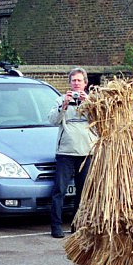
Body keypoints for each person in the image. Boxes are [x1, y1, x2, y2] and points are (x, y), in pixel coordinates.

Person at [48, 67, 96, 238]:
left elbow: (100, 124)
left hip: (86, 153)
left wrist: (89, 104)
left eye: (79, 81)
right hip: (66, 153)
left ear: (85, 83)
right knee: (59, 191)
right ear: (69, 83)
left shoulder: (93, 101)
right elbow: (53, 120)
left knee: (82, 192)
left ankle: (77, 225)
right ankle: (56, 226)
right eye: (73, 81)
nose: (76, 84)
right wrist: (64, 105)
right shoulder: (60, 100)